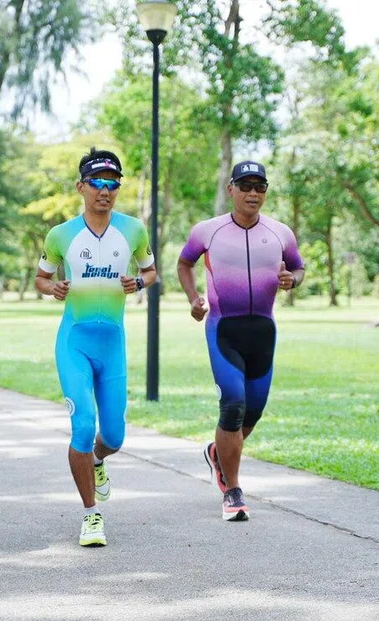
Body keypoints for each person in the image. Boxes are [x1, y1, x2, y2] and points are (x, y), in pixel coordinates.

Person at [34, 148, 157, 547]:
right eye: (97, 184)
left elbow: (151, 271)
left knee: (115, 436)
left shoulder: (134, 230)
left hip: (113, 343)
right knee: (83, 425)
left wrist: (138, 283)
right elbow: (40, 277)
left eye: (112, 184)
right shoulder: (61, 235)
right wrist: (53, 287)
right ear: (81, 187)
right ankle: (91, 515)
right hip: (74, 342)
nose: (105, 191)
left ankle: (99, 460)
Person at [177, 161, 305, 521]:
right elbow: (184, 264)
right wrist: (193, 299)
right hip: (223, 328)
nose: (253, 193)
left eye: (260, 186)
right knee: (233, 405)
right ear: (231, 189)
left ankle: (219, 452)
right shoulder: (208, 231)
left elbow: (298, 267)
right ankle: (232, 490)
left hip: (263, 331)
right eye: (245, 185)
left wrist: (291, 280)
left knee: (253, 411)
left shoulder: (280, 233)